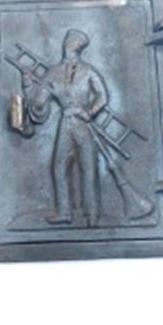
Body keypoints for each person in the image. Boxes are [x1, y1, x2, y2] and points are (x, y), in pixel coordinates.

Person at [22, 29, 108, 227]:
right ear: (66, 43)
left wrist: (89, 112)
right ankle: (64, 212)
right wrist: (28, 86)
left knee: (88, 167)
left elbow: (102, 96)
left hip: (82, 124)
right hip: (65, 124)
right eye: (72, 41)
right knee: (59, 167)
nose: (73, 45)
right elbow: (39, 103)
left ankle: (92, 214)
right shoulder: (53, 73)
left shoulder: (88, 71)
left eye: (77, 43)